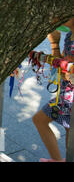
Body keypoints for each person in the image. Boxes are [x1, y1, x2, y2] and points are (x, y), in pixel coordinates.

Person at [32, 17, 74, 162]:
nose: (62, 16)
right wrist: (54, 43)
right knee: (40, 120)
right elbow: (61, 64)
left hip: (71, 97)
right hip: (65, 95)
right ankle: (59, 160)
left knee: (42, 120)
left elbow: (67, 70)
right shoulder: (69, 35)